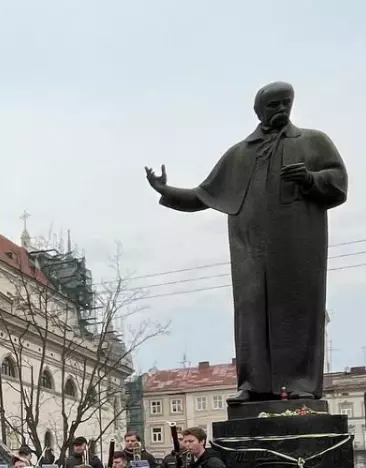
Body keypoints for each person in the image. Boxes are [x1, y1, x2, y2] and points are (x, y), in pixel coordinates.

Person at [146, 82, 347, 400]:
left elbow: (338, 182)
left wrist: (310, 178)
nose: (281, 109)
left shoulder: (313, 141)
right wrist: (165, 191)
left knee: (297, 312)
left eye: (286, 102)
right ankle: (253, 385)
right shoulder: (240, 154)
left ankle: (300, 384)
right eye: (273, 105)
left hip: (297, 246)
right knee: (250, 312)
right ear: (259, 111)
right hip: (250, 249)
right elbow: (204, 195)